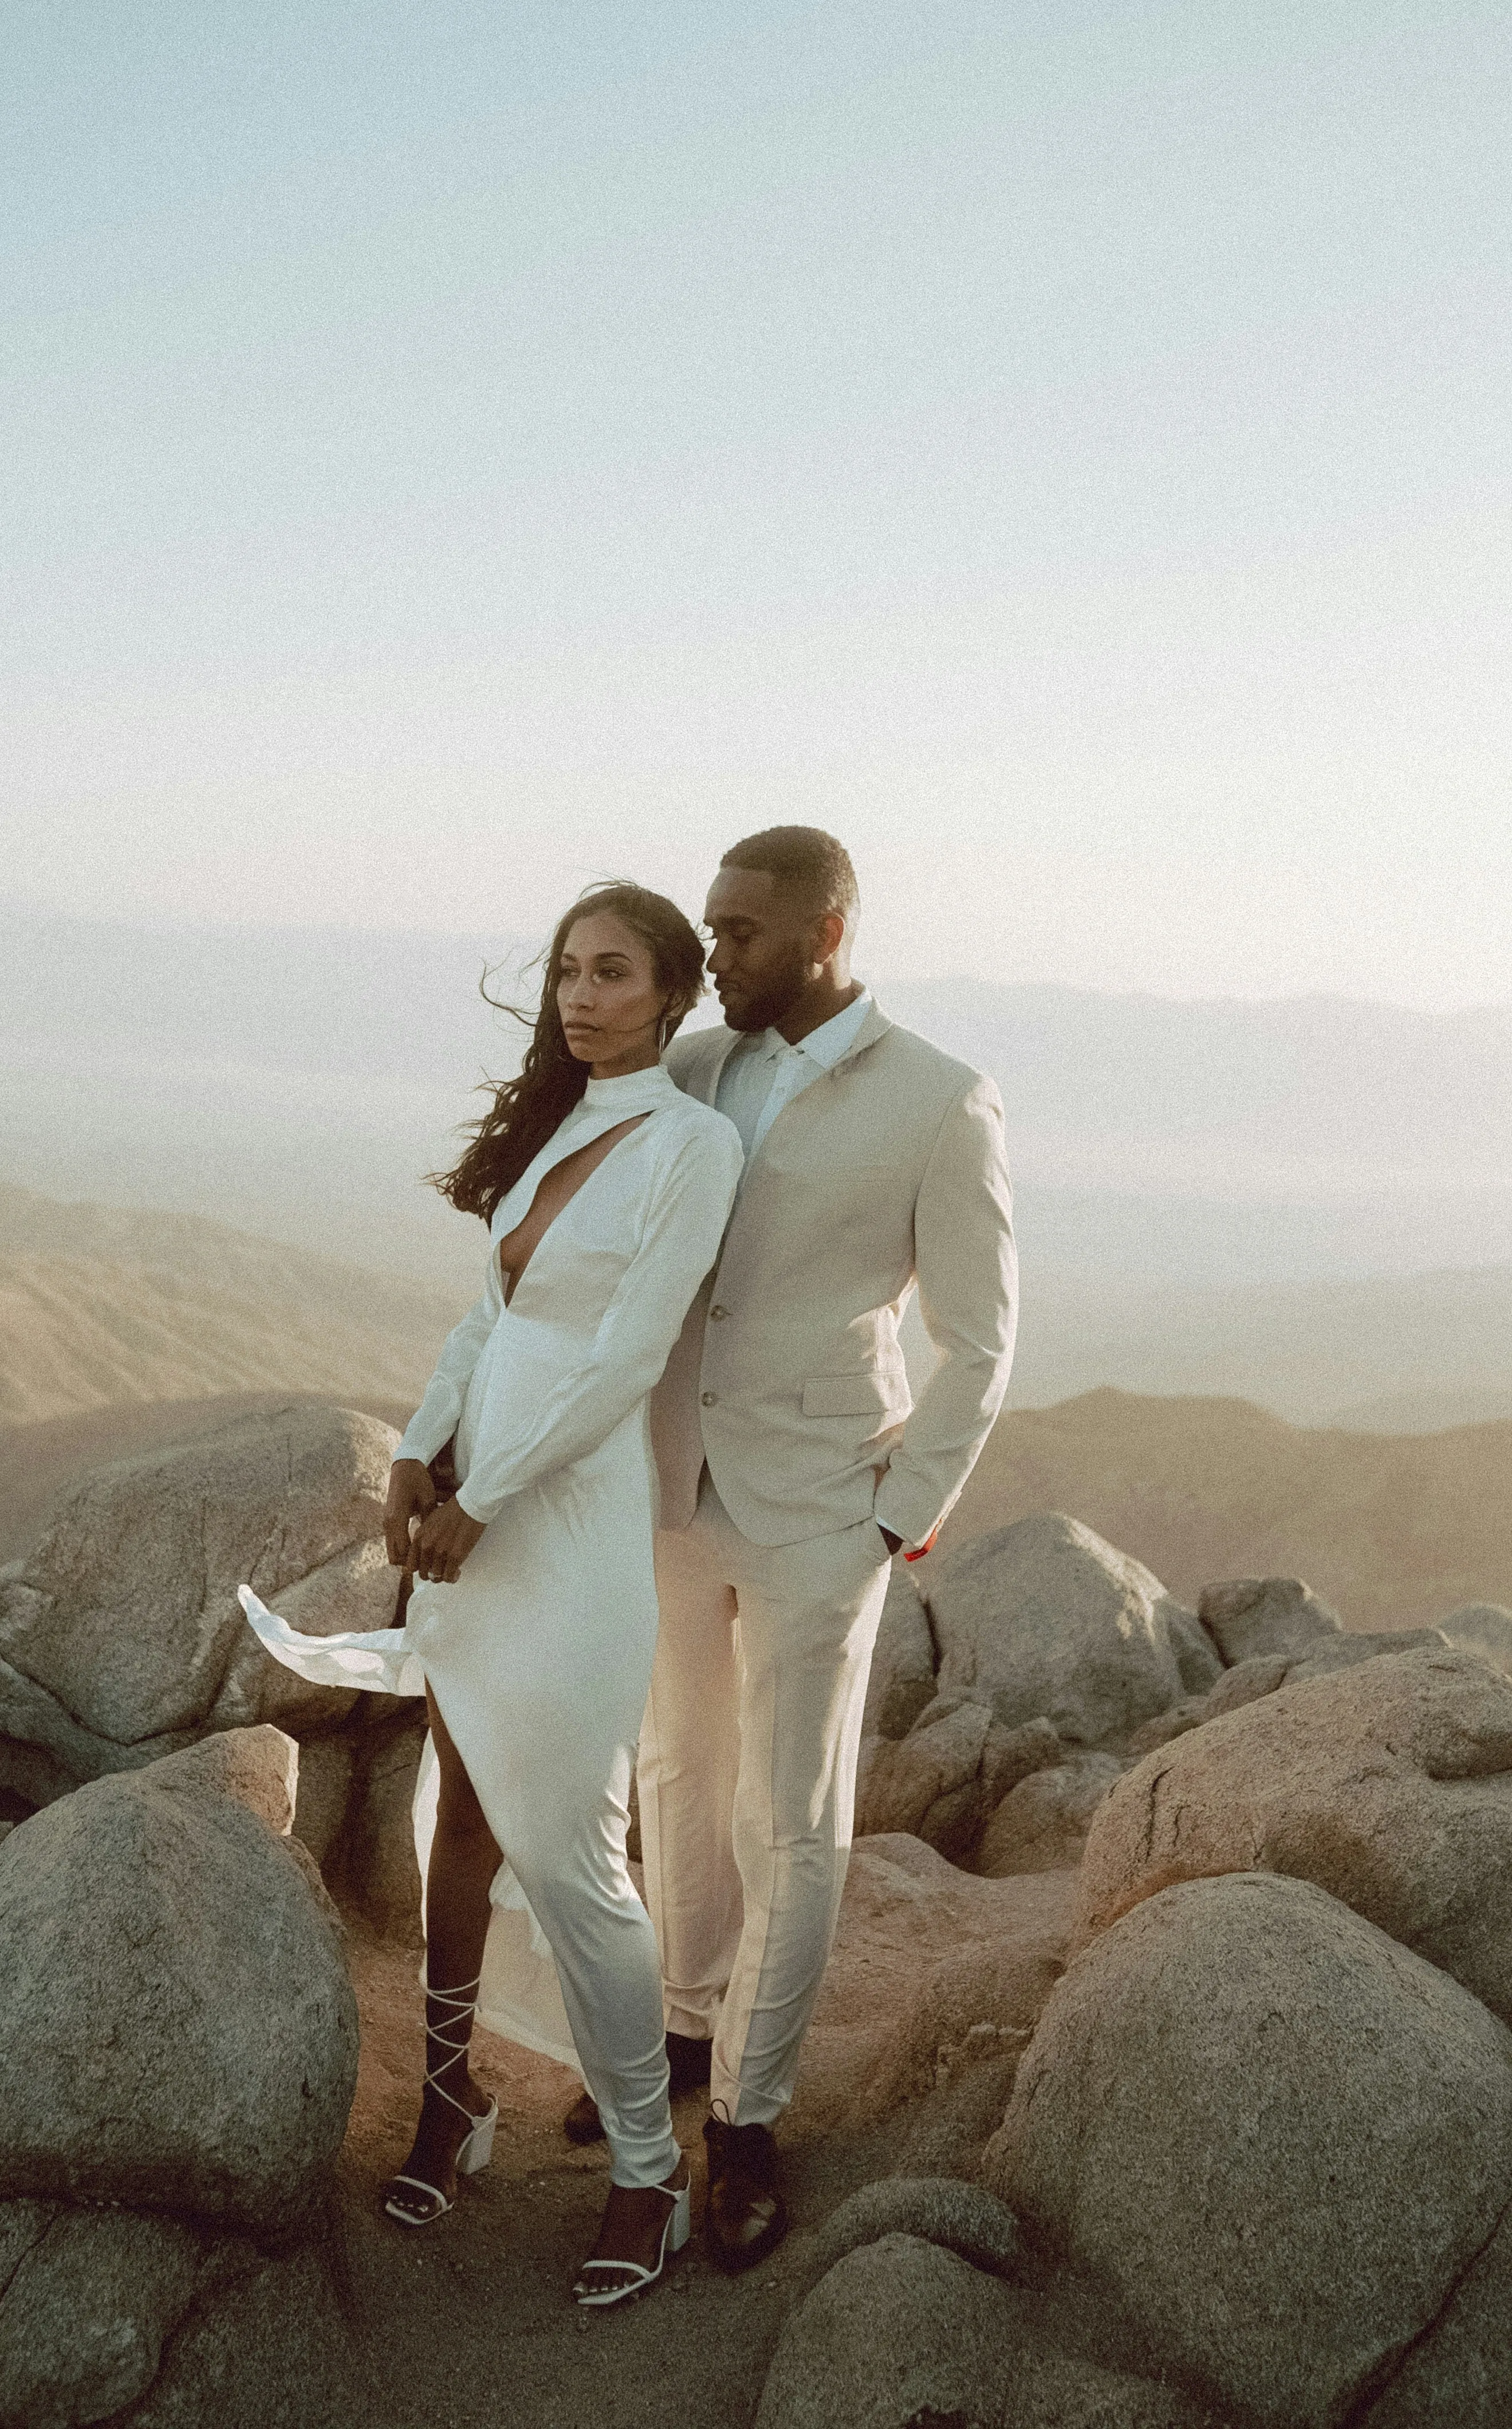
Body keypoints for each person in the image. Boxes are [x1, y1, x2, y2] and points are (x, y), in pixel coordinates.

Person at [239, 882, 742, 2309]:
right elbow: (496, 1317)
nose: (581, 997)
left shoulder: (693, 1149)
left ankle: (651, 2170)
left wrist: (485, 1494)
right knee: (457, 1814)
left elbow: (621, 1359)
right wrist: (415, 1447)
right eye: (568, 972)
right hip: (474, 1506)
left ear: (671, 991)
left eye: (613, 973)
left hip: (566, 1530)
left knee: (578, 1854)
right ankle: (450, 2100)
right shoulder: (563, 1126)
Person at [566, 826, 1017, 2273]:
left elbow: (983, 1335)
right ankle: (688, 2032)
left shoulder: (943, 1099)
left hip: (830, 1502)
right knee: (675, 1771)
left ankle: (750, 2121)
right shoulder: (694, 1067)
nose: (717, 956)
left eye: (742, 933)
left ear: (824, 932)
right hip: (674, 1488)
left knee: (794, 1816)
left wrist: (904, 1508)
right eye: (706, 927)